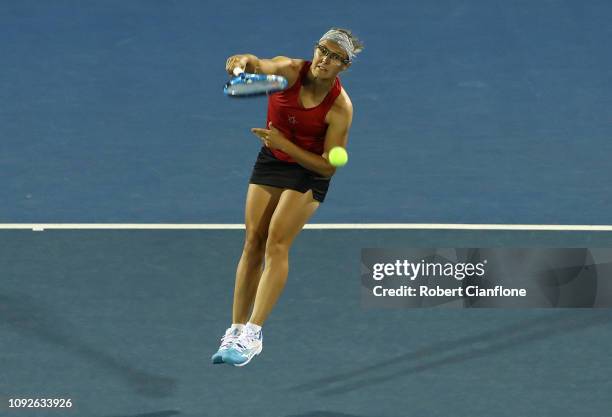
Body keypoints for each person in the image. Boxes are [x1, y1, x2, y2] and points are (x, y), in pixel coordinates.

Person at [212, 28, 363, 366]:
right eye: (322, 50)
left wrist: (285, 145)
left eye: (335, 57)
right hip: (273, 160)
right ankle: (235, 329)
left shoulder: (340, 108)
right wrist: (243, 61)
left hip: (309, 170)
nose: (325, 59)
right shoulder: (288, 70)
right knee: (253, 240)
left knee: (276, 242)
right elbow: (259, 64)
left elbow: (328, 168)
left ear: (344, 66)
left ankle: (253, 333)